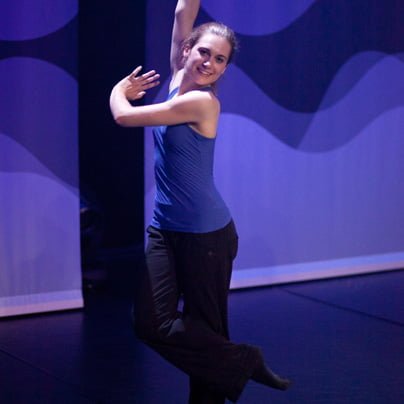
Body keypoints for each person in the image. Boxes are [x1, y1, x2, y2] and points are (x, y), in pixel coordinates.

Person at [109, 1, 291, 402]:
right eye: (204, 52)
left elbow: (124, 116)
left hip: (207, 236)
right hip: (164, 230)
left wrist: (118, 91)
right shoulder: (178, 76)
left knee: (206, 330)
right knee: (150, 323)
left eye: (220, 59)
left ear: (224, 69)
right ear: (187, 49)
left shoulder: (202, 102)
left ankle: (229, 372)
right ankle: (244, 360)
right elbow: (183, 13)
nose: (209, 62)